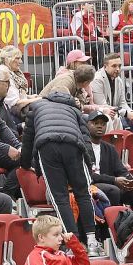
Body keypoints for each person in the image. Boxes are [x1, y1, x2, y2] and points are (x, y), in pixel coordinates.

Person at [19, 88, 97, 246]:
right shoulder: (74, 110)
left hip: (47, 145)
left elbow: (28, 138)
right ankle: (92, 241)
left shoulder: (36, 106)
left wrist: (25, 163)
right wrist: (90, 162)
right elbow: (86, 136)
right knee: (83, 193)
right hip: (74, 145)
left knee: (60, 197)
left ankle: (72, 241)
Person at [86, 110, 133, 207]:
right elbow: (88, 175)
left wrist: (130, 180)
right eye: (96, 123)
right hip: (91, 185)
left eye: (103, 124)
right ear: (87, 125)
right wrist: (114, 180)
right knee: (113, 190)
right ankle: (114, 221)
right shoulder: (82, 146)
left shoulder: (109, 148)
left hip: (111, 183)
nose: (99, 126)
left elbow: (120, 170)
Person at [90, 52, 133, 132]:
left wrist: (131, 112)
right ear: (105, 67)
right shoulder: (97, 80)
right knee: (113, 118)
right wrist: (126, 113)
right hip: (101, 115)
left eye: (119, 66)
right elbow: (103, 105)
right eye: (114, 66)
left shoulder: (118, 80)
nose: (117, 69)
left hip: (116, 114)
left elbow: (123, 103)